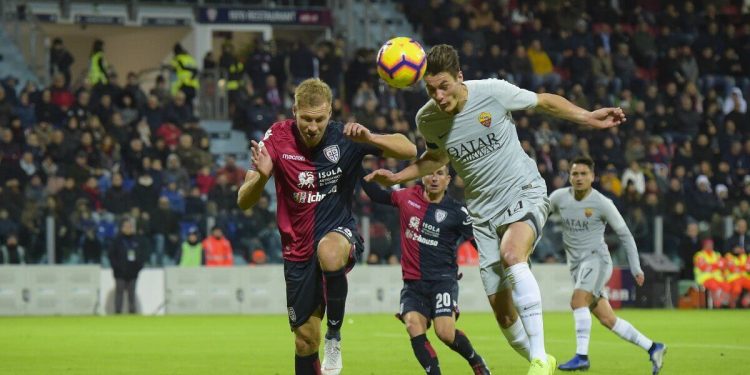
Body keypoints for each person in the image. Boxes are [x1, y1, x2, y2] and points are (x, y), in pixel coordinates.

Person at [365, 44, 628, 375]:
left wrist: (587, 116)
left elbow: (543, 101)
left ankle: (539, 359)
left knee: (513, 253)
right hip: (483, 215)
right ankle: (539, 357)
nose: (439, 96)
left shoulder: (492, 92)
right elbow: (436, 158)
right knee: (505, 317)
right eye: (431, 90)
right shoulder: (427, 119)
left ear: (460, 77)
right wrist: (397, 176)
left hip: (523, 191)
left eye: (444, 85)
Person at [237, 78, 416, 375]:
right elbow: (243, 200)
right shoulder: (276, 139)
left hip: (338, 232)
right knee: (305, 340)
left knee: (330, 252)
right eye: (306, 119)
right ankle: (321, 344)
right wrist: (259, 177)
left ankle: (334, 336)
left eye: (319, 119)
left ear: (330, 114)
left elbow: (408, 149)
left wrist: (371, 137)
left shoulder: (346, 137)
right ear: (294, 111)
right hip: (297, 251)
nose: (312, 126)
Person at [362, 165, 491, 374]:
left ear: (448, 180)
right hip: (413, 283)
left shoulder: (457, 211)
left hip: (442, 281)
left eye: (440, 173)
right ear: (421, 176)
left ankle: (476, 361)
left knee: (445, 333)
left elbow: (479, 243)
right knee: (413, 324)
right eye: (430, 172)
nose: (434, 178)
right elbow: (376, 194)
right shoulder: (406, 197)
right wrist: (361, 169)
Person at [548, 156, 666, 373]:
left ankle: (581, 357)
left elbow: (625, 235)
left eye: (584, 174)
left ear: (593, 177)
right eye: (575, 174)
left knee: (577, 301)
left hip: (597, 259)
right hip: (576, 265)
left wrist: (636, 267)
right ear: (569, 176)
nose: (579, 178)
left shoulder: (602, 203)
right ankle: (653, 347)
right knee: (607, 319)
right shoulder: (558, 198)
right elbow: (539, 219)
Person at [108, 218, 145, 314]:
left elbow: (141, 255)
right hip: (120, 272)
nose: (128, 229)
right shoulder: (117, 241)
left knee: (131, 294)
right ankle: (118, 312)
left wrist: (138, 268)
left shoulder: (137, 240)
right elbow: (111, 256)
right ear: (122, 228)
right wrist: (117, 267)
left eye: (130, 227)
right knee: (119, 293)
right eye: (126, 227)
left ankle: (132, 312)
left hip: (133, 272)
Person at [694, 239, 729, 308]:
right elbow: (704, 267)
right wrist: (716, 265)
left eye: (711, 245)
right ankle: (717, 305)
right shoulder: (699, 255)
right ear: (704, 246)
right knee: (714, 286)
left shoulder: (717, 254)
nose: (710, 246)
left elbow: (723, 265)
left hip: (717, 278)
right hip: (704, 278)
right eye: (708, 245)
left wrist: (711, 266)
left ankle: (722, 303)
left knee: (727, 286)